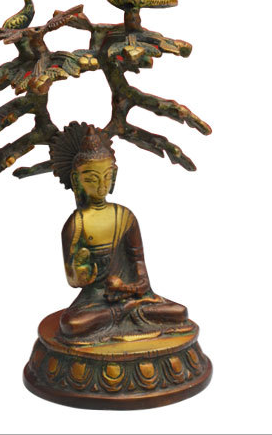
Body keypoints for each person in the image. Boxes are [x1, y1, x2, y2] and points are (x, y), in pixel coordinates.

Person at [49, 123, 188, 339]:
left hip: (132, 296)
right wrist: (82, 271)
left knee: (179, 312)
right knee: (72, 325)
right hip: (95, 301)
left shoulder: (125, 216)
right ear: (77, 180)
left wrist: (132, 287)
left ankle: (123, 313)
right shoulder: (76, 224)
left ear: (114, 175)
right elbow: (73, 280)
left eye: (106, 176)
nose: (101, 185)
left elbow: (139, 268)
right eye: (92, 178)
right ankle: (122, 314)